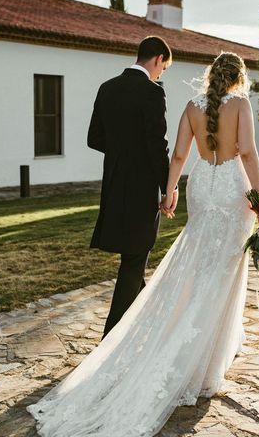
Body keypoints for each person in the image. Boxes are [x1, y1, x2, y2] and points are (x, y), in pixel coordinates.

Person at [27, 51, 259, 436]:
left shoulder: (192, 106)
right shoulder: (240, 104)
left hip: (203, 188)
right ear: (238, 77)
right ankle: (201, 363)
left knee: (197, 265)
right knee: (221, 270)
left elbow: (178, 154)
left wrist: (170, 191)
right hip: (231, 191)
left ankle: (195, 348)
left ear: (210, 75)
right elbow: (248, 153)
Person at [85, 35, 177, 339]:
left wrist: (122, 152)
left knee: (133, 259)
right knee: (135, 259)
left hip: (113, 186)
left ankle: (152, 324)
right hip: (141, 191)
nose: (161, 73)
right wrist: (168, 187)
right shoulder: (152, 93)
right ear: (158, 59)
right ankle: (109, 342)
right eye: (163, 67)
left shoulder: (106, 88)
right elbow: (157, 145)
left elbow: (94, 139)